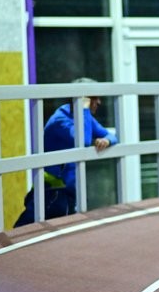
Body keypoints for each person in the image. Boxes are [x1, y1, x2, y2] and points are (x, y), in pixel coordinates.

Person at [15, 78, 118, 227]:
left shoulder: (82, 117)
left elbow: (112, 135)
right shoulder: (61, 119)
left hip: (66, 190)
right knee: (25, 233)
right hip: (50, 191)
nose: (99, 102)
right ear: (82, 100)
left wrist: (106, 141)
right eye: (94, 97)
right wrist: (84, 107)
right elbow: (82, 140)